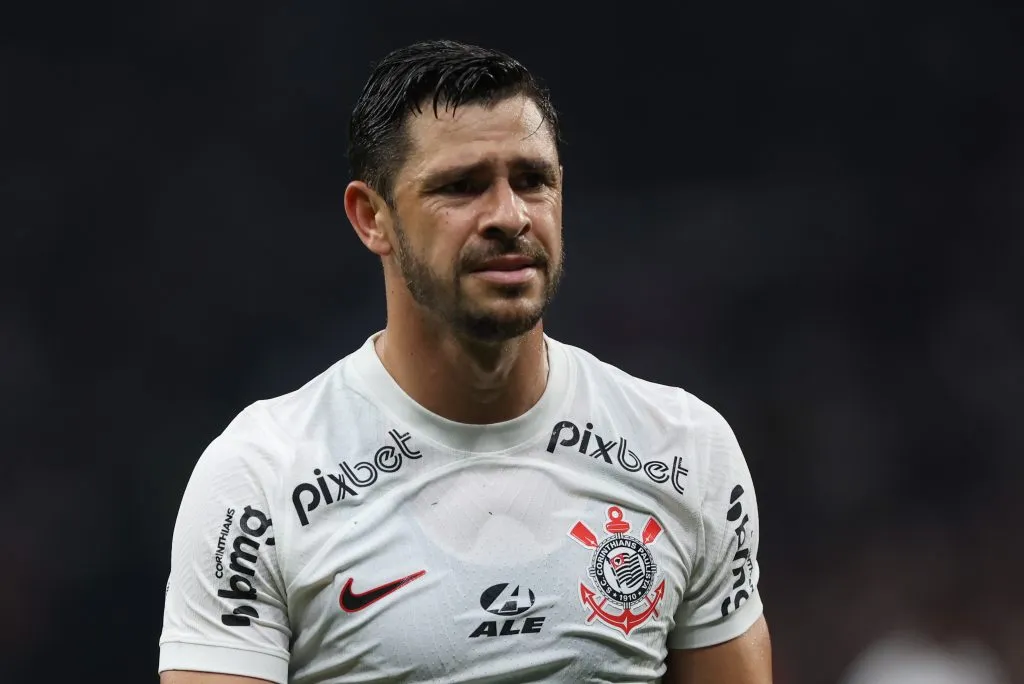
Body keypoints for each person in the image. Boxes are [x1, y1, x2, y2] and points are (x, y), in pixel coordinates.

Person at [158, 39, 772, 684]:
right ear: (373, 218)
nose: (509, 215)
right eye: (462, 186)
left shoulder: (685, 451)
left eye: (533, 181)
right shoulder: (259, 480)